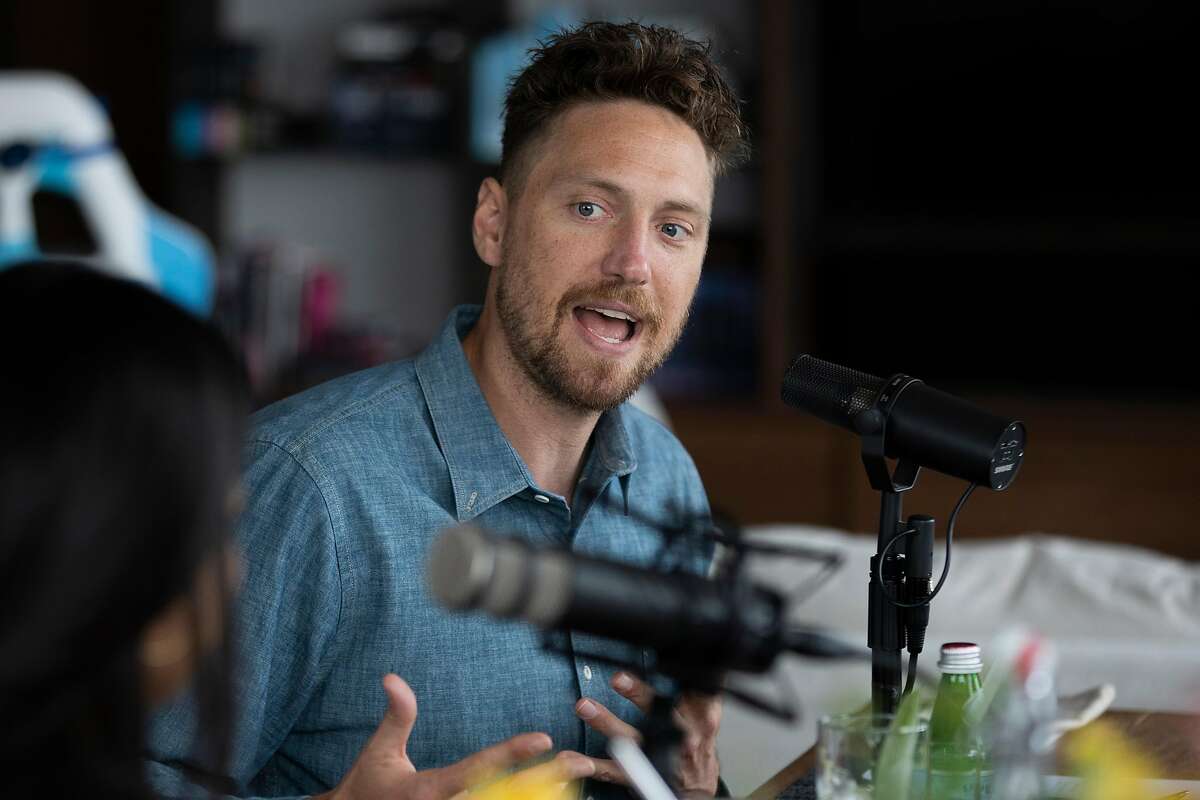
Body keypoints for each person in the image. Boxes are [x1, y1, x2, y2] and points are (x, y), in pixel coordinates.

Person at [148, 20, 749, 799]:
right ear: (493, 223)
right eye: (591, 209)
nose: (633, 264)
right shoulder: (309, 487)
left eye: (673, 228)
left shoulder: (669, 482)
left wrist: (698, 788)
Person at [0, 261, 574, 799]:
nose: (234, 567)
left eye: (671, 228)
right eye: (211, 526)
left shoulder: (662, 473)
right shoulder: (305, 474)